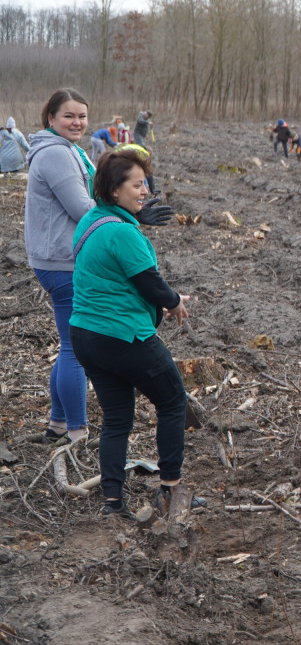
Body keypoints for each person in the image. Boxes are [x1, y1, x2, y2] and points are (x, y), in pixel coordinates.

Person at [24, 88, 172, 445]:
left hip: (61, 256)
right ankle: (77, 432)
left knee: (68, 344)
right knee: (75, 346)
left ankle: (59, 423)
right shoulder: (56, 155)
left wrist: (132, 208)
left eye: (82, 116)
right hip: (62, 261)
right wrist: (132, 215)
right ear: (51, 119)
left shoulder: (68, 149)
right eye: (69, 116)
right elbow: (82, 209)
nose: (77, 123)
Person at [69, 148, 194, 518]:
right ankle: (169, 491)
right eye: (137, 185)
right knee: (173, 402)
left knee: (118, 418)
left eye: (146, 184)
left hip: (86, 336)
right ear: (113, 190)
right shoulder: (124, 234)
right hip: (124, 337)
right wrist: (175, 301)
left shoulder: (91, 220)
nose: (145, 192)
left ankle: (113, 503)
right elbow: (149, 284)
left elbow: (115, 268)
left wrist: (135, 218)